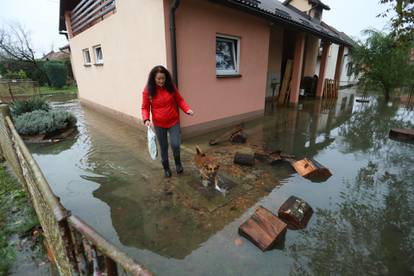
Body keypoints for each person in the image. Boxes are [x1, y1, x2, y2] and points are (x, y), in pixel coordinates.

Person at [141, 65, 194, 177]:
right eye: (158, 79)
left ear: (166, 78)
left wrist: (187, 109)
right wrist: (146, 119)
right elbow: (145, 107)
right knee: (163, 147)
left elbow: (179, 100)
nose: (161, 81)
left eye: (163, 78)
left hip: (173, 121)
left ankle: (178, 164)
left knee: (175, 144)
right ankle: (166, 168)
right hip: (159, 124)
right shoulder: (148, 90)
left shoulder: (171, 87)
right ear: (153, 78)